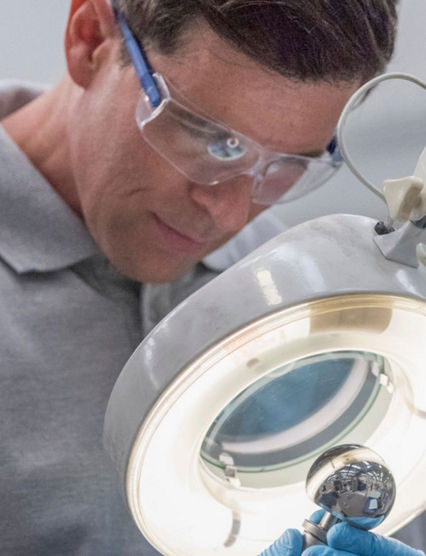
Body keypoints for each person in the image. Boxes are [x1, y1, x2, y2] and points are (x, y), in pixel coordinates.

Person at [0, 0, 423, 554]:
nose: (228, 215)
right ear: (90, 40)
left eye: (290, 163)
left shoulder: (306, 290)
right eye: (212, 141)